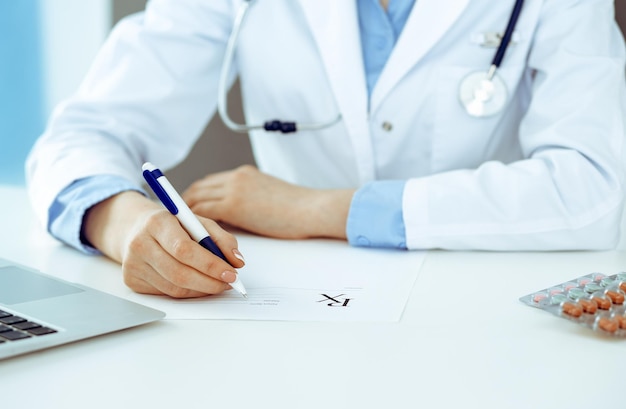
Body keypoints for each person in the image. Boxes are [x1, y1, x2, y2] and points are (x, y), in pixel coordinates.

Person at [26, 0, 626, 298]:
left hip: (481, 299)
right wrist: (126, 224)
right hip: (290, 304)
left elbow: (592, 188)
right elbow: (82, 135)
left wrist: (319, 209)